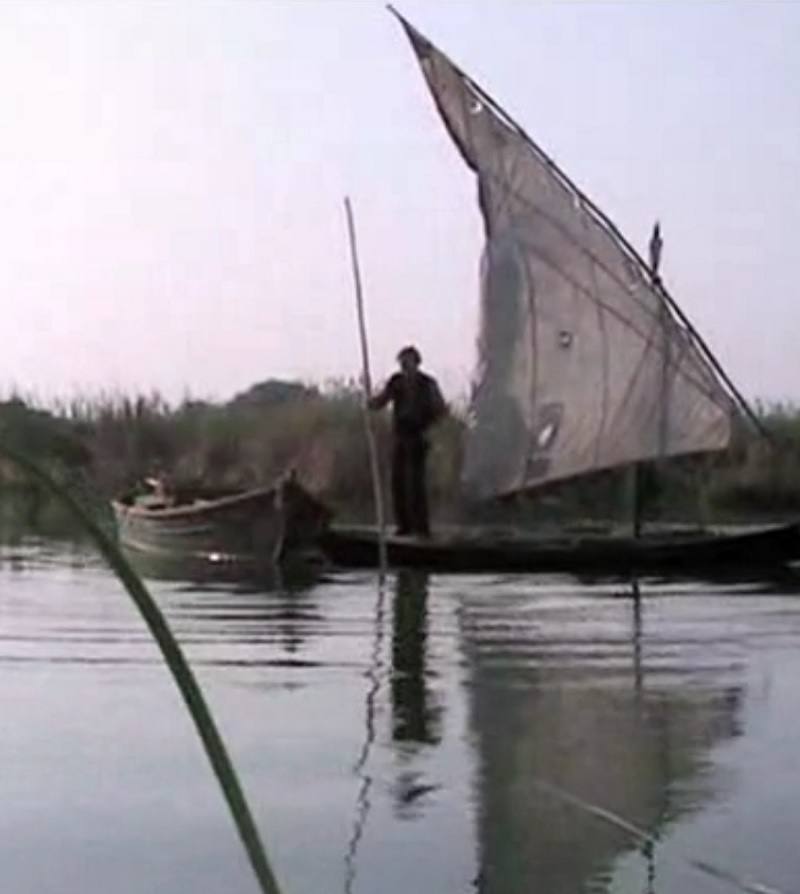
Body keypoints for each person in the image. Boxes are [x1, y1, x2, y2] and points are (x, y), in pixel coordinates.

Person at [369, 346, 446, 537]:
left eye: (407, 361)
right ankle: (403, 526)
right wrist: (371, 403)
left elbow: (441, 410)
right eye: (401, 362)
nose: (404, 365)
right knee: (398, 482)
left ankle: (421, 528)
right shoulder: (396, 382)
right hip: (400, 436)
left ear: (416, 362)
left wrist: (429, 427)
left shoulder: (427, 383)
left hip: (418, 436)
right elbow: (382, 401)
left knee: (415, 484)